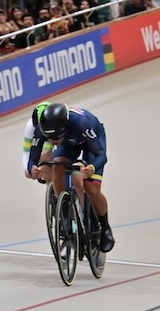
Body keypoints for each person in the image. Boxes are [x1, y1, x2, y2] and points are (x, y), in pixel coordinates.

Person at [37, 102, 115, 252]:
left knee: (91, 187)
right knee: (57, 165)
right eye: (50, 138)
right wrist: (34, 167)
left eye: (55, 138)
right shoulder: (45, 129)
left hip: (91, 141)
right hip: (69, 142)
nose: (53, 141)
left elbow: (101, 155)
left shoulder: (82, 124)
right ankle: (64, 208)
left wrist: (92, 167)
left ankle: (105, 228)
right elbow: (33, 157)